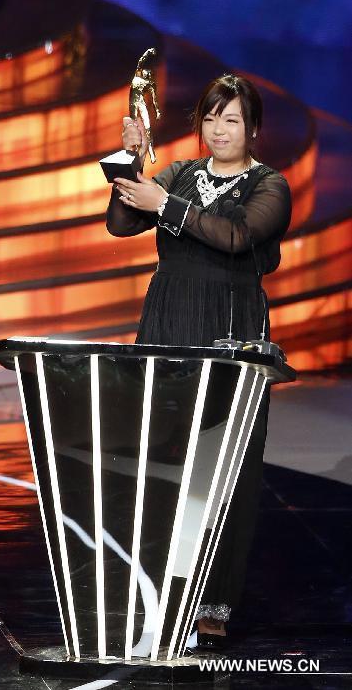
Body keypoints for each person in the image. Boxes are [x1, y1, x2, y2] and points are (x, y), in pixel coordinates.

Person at [106, 73, 292, 650]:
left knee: (223, 469)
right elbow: (121, 223)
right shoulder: (180, 173)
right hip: (167, 321)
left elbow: (239, 237)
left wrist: (168, 207)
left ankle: (212, 603)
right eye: (211, 118)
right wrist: (131, 163)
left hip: (230, 328)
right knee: (160, 459)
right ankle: (157, 592)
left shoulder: (270, 184)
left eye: (231, 120)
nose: (218, 129)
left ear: (252, 129)